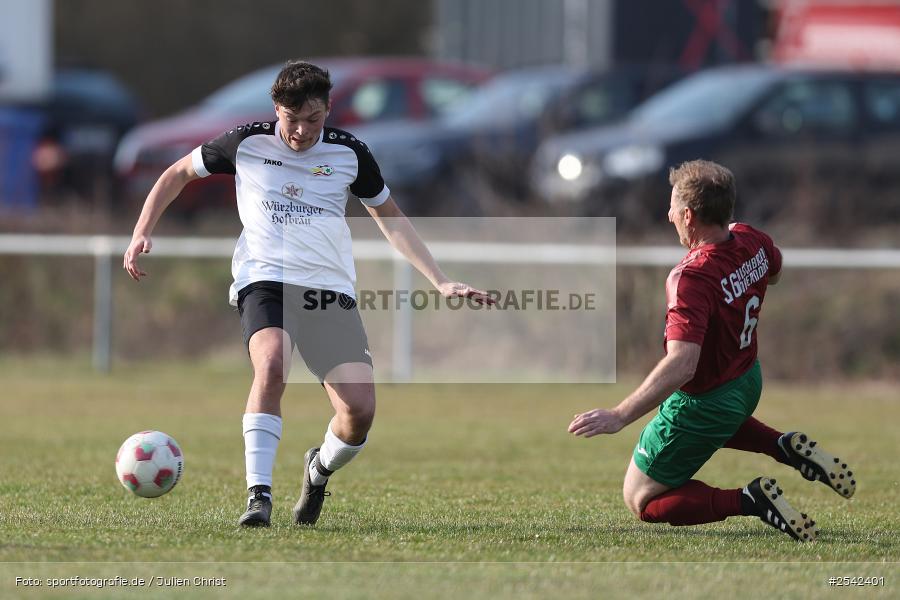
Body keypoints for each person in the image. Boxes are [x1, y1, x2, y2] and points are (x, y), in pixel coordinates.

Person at [124, 60, 491, 528]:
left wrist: (439, 279)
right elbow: (176, 173)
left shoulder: (349, 153)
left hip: (328, 290)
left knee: (358, 413)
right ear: (276, 109)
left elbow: (391, 219)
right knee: (272, 364)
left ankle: (317, 471)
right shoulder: (246, 143)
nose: (299, 131)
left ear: (328, 110)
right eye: (290, 119)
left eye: (312, 120)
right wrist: (141, 232)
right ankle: (259, 496)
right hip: (266, 280)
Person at [568, 160, 855, 542]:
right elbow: (775, 270)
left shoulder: (691, 277)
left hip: (705, 402)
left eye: (672, 208)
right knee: (719, 420)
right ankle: (781, 446)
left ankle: (750, 499)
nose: (667, 215)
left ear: (688, 215)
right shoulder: (750, 237)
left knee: (642, 499)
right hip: (748, 379)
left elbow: (683, 365)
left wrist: (620, 415)